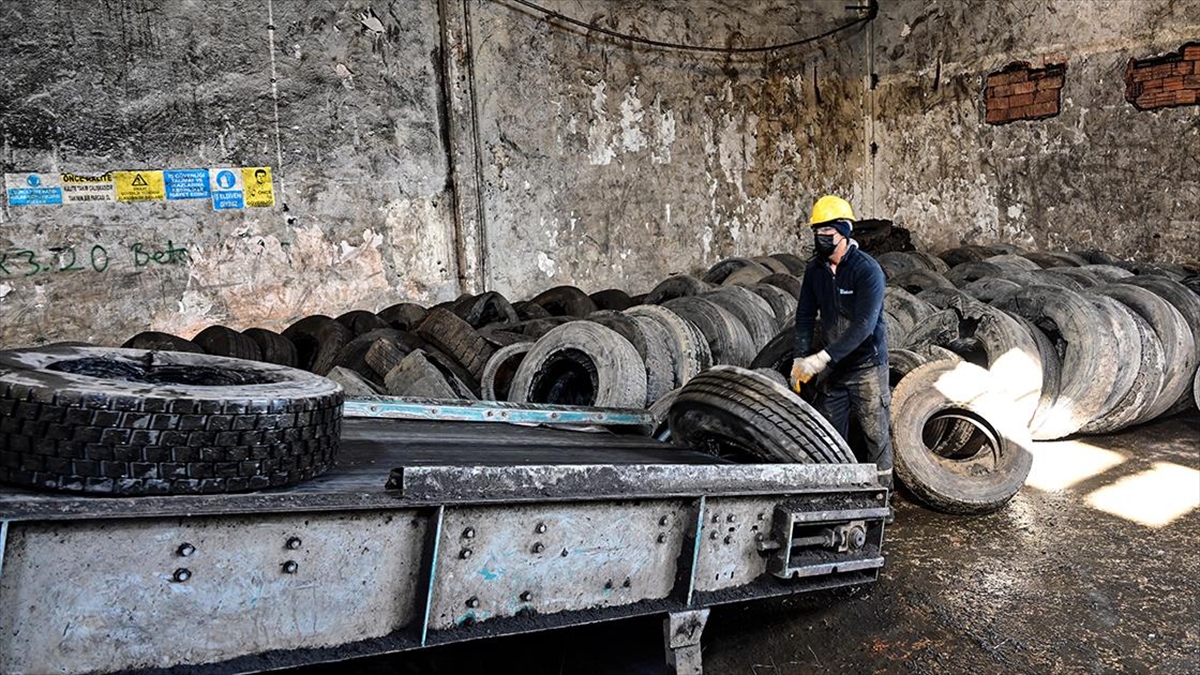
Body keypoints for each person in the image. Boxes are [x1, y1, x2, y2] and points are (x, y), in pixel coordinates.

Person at [791, 195, 893, 489]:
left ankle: (883, 498)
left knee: (876, 438)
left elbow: (864, 326)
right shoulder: (815, 270)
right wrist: (800, 357)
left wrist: (821, 358)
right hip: (834, 374)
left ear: (845, 232)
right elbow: (806, 315)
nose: (820, 239)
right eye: (817, 233)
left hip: (867, 368)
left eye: (827, 234)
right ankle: (838, 496)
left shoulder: (867, 271)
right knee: (831, 437)